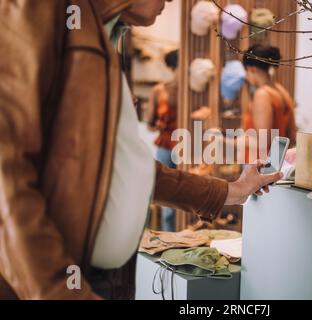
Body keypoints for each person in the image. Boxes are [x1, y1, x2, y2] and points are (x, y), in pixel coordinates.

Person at [0, 0, 281, 300]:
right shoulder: (43, 9)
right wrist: (55, 290)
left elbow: (134, 173)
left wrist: (230, 191)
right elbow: (6, 171)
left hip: (106, 279)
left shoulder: (104, 38)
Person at [243, 44, 297, 162]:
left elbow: (263, 142)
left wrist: (227, 139)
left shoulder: (262, 95)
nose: (246, 77)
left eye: (246, 71)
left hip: (259, 165)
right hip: (277, 161)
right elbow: (292, 135)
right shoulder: (282, 91)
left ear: (252, 69)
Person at [151, 49, 179, 231]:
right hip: (166, 144)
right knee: (166, 192)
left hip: (188, 145)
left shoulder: (191, 88)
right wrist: (159, 124)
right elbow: (150, 122)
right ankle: (169, 237)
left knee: (187, 189)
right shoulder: (159, 90)